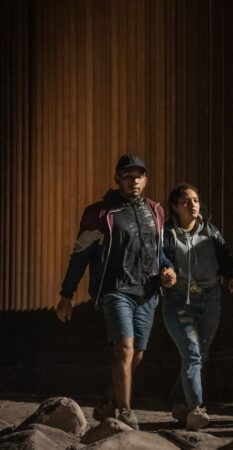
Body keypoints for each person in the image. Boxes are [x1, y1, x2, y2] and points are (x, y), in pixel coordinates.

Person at [56, 154, 177, 430]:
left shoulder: (154, 211)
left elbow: (158, 252)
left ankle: (108, 403)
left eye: (139, 176)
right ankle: (125, 411)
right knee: (124, 348)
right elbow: (80, 256)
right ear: (117, 179)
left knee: (137, 355)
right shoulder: (99, 214)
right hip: (115, 290)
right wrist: (67, 294)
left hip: (147, 292)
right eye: (127, 176)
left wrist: (168, 269)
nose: (133, 181)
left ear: (146, 180)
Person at [162, 183, 233, 431]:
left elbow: (225, 257)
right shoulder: (167, 233)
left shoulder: (210, 231)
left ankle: (179, 401)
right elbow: (160, 257)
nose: (193, 205)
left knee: (199, 355)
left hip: (210, 298)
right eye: (186, 201)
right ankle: (196, 409)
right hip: (178, 299)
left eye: (195, 200)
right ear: (175, 207)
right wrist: (166, 271)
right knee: (192, 352)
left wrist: (232, 277)